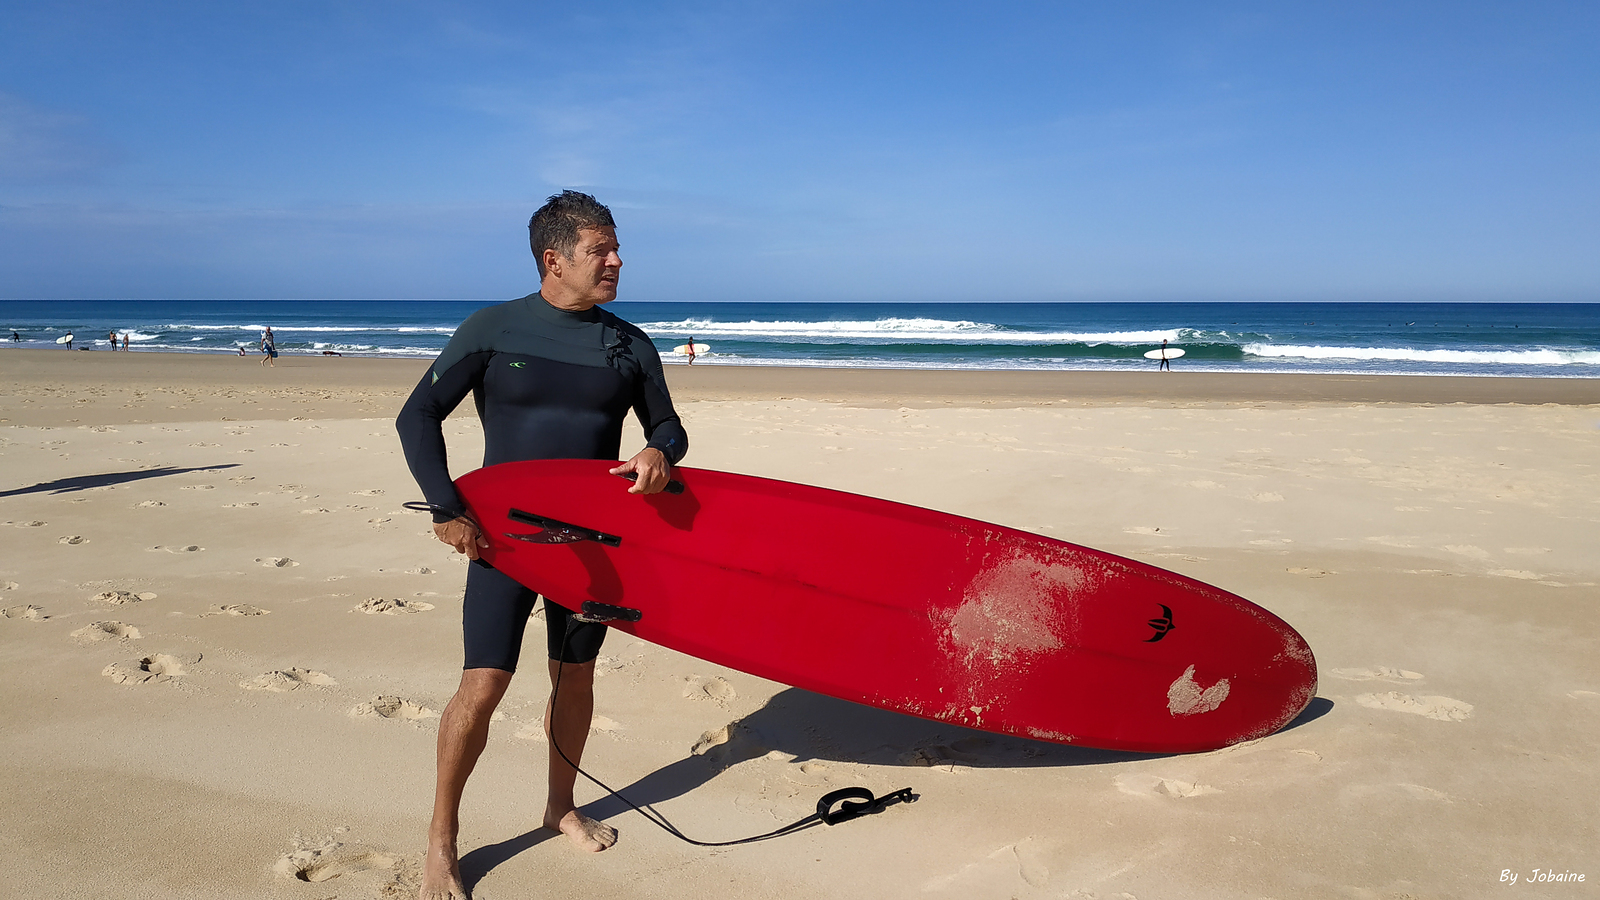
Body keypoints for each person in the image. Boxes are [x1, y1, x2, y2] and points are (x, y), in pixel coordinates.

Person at [396, 190, 687, 900]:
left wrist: (656, 452)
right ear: (553, 259)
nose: (616, 262)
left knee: (576, 677)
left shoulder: (628, 343)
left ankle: (561, 807)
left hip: (593, 547)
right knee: (484, 683)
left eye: (617, 249)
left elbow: (670, 426)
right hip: (505, 542)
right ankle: (441, 841)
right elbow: (418, 416)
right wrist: (446, 507)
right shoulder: (494, 329)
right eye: (601, 251)